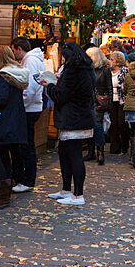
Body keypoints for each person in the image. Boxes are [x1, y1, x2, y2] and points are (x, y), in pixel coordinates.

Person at [45, 42, 95, 205]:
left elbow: (61, 96)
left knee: (73, 155)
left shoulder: (72, 72)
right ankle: (67, 190)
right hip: (81, 117)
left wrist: (50, 85)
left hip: (72, 119)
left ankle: (77, 195)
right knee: (66, 153)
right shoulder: (86, 69)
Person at [0, 46, 29, 209]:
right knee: (4, 154)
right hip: (14, 121)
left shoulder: (3, 76)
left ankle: (3, 195)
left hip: (3, 122)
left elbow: (0, 99)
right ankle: (5, 191)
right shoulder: (17, 74)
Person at [10, 37, 45, 193]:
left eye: (13, 50)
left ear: (18, 48)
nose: (13, 54)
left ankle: (26, 180)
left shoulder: (30, 61)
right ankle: (25, 179)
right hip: (33, 107)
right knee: (27, 145)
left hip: (29, 109)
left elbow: (29, 87)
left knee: (25, 146)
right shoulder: (34, 59)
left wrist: (20, 106)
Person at [86, 46, 112, 165]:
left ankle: (100, 152)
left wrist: (109, 104)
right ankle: (92, 152)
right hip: (89, 100)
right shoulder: (87, 69)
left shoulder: (105, 70)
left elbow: (109, 88)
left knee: (97, 126)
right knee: (90, 126)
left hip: (99, 102)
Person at [106, 51, 129, 155]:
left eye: (112, 60)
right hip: (111, 100)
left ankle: (124, 145)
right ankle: (115, 146)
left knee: (121, 123)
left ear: (118, 62)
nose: (110, 61)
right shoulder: (107, 71)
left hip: (122, 101)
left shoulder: (124, 71)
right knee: (112, 124)